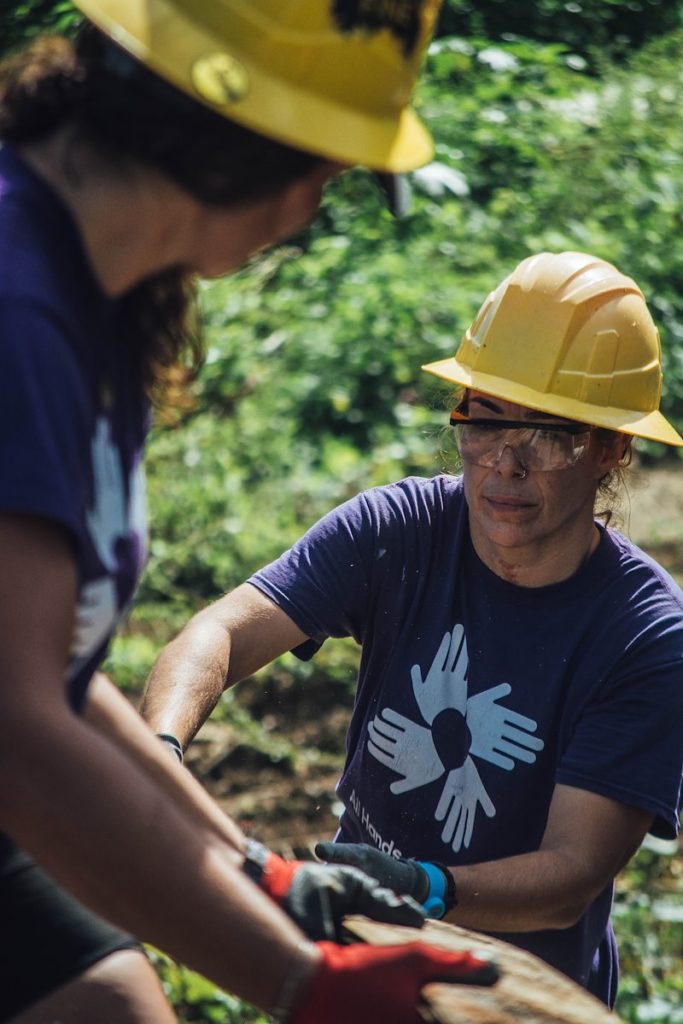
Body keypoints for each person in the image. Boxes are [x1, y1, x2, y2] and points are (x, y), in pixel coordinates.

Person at [0, 1, 504, 1021]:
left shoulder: (101, 297)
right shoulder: (17, 311)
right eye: (324, 168)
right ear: (241, 144)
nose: (316, 203)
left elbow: (50, 668)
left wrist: (260, 873)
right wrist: (293, 978)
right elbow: (16, 736)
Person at [142, 250, 683, 1009]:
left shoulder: (643, 635)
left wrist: (421, 887)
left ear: (610, 449)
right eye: (484, 422)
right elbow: (223, 632)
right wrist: (159, 749)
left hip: (518, 994)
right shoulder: (398, 532)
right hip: (359, 963)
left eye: (549, 436)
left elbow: (568, 873)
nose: (504, 464)